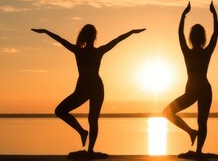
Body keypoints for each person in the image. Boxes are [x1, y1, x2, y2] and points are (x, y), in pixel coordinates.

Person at [32, 25, 145, 154]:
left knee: (90, 119)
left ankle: (89, 148)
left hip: (93, 87)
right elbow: (117, 40)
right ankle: (83, 134)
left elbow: (60, 39)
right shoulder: (87, 51)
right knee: (64, 112)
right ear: (92, 37)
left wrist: (46, 31)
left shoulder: (86, 51)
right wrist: (131, 32)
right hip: (87, 87)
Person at [163, 2, 218, 155]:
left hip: (195, 90)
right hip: (203, 90)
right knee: (202, 122)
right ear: (203, 38)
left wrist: (183, 15)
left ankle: (196, 143)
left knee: (167, 112)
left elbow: (179, 34)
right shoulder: (205, 52)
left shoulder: (188, 53)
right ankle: (196, 144)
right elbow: (216, 34)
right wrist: (214, 15)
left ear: (192, 38)